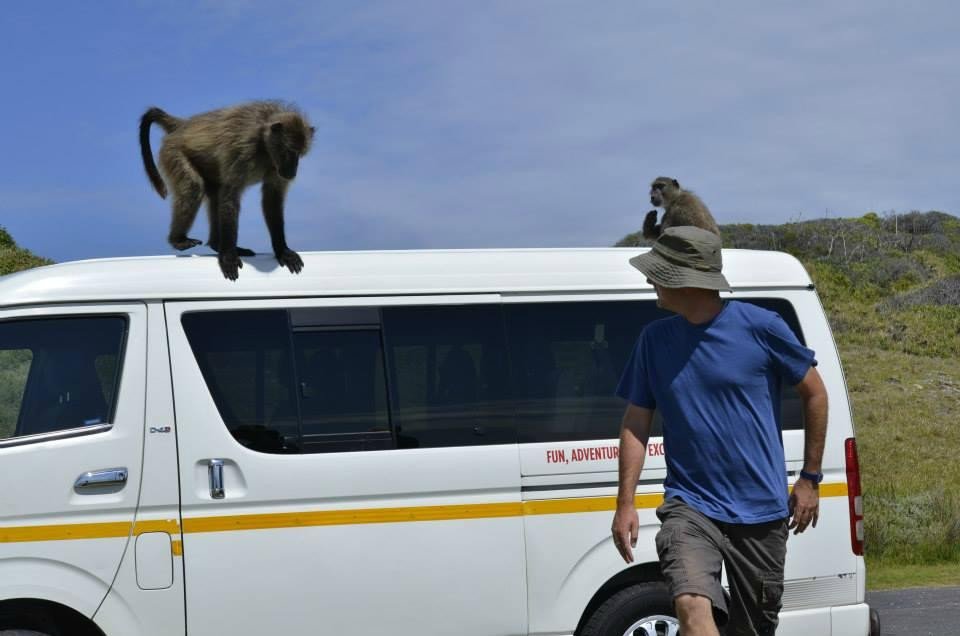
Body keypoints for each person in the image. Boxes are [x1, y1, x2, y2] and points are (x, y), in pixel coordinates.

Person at [611, 226, 828, 636]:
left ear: (687, 280)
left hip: (760, 512)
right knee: (691, 605)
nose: (649, 280)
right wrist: (626, 502)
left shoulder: (762, 327)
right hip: (690, 505)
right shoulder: (653, 341)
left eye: (657, 273)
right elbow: (636, 423)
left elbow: (815, 393)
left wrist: (810, 478)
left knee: (753, 629)